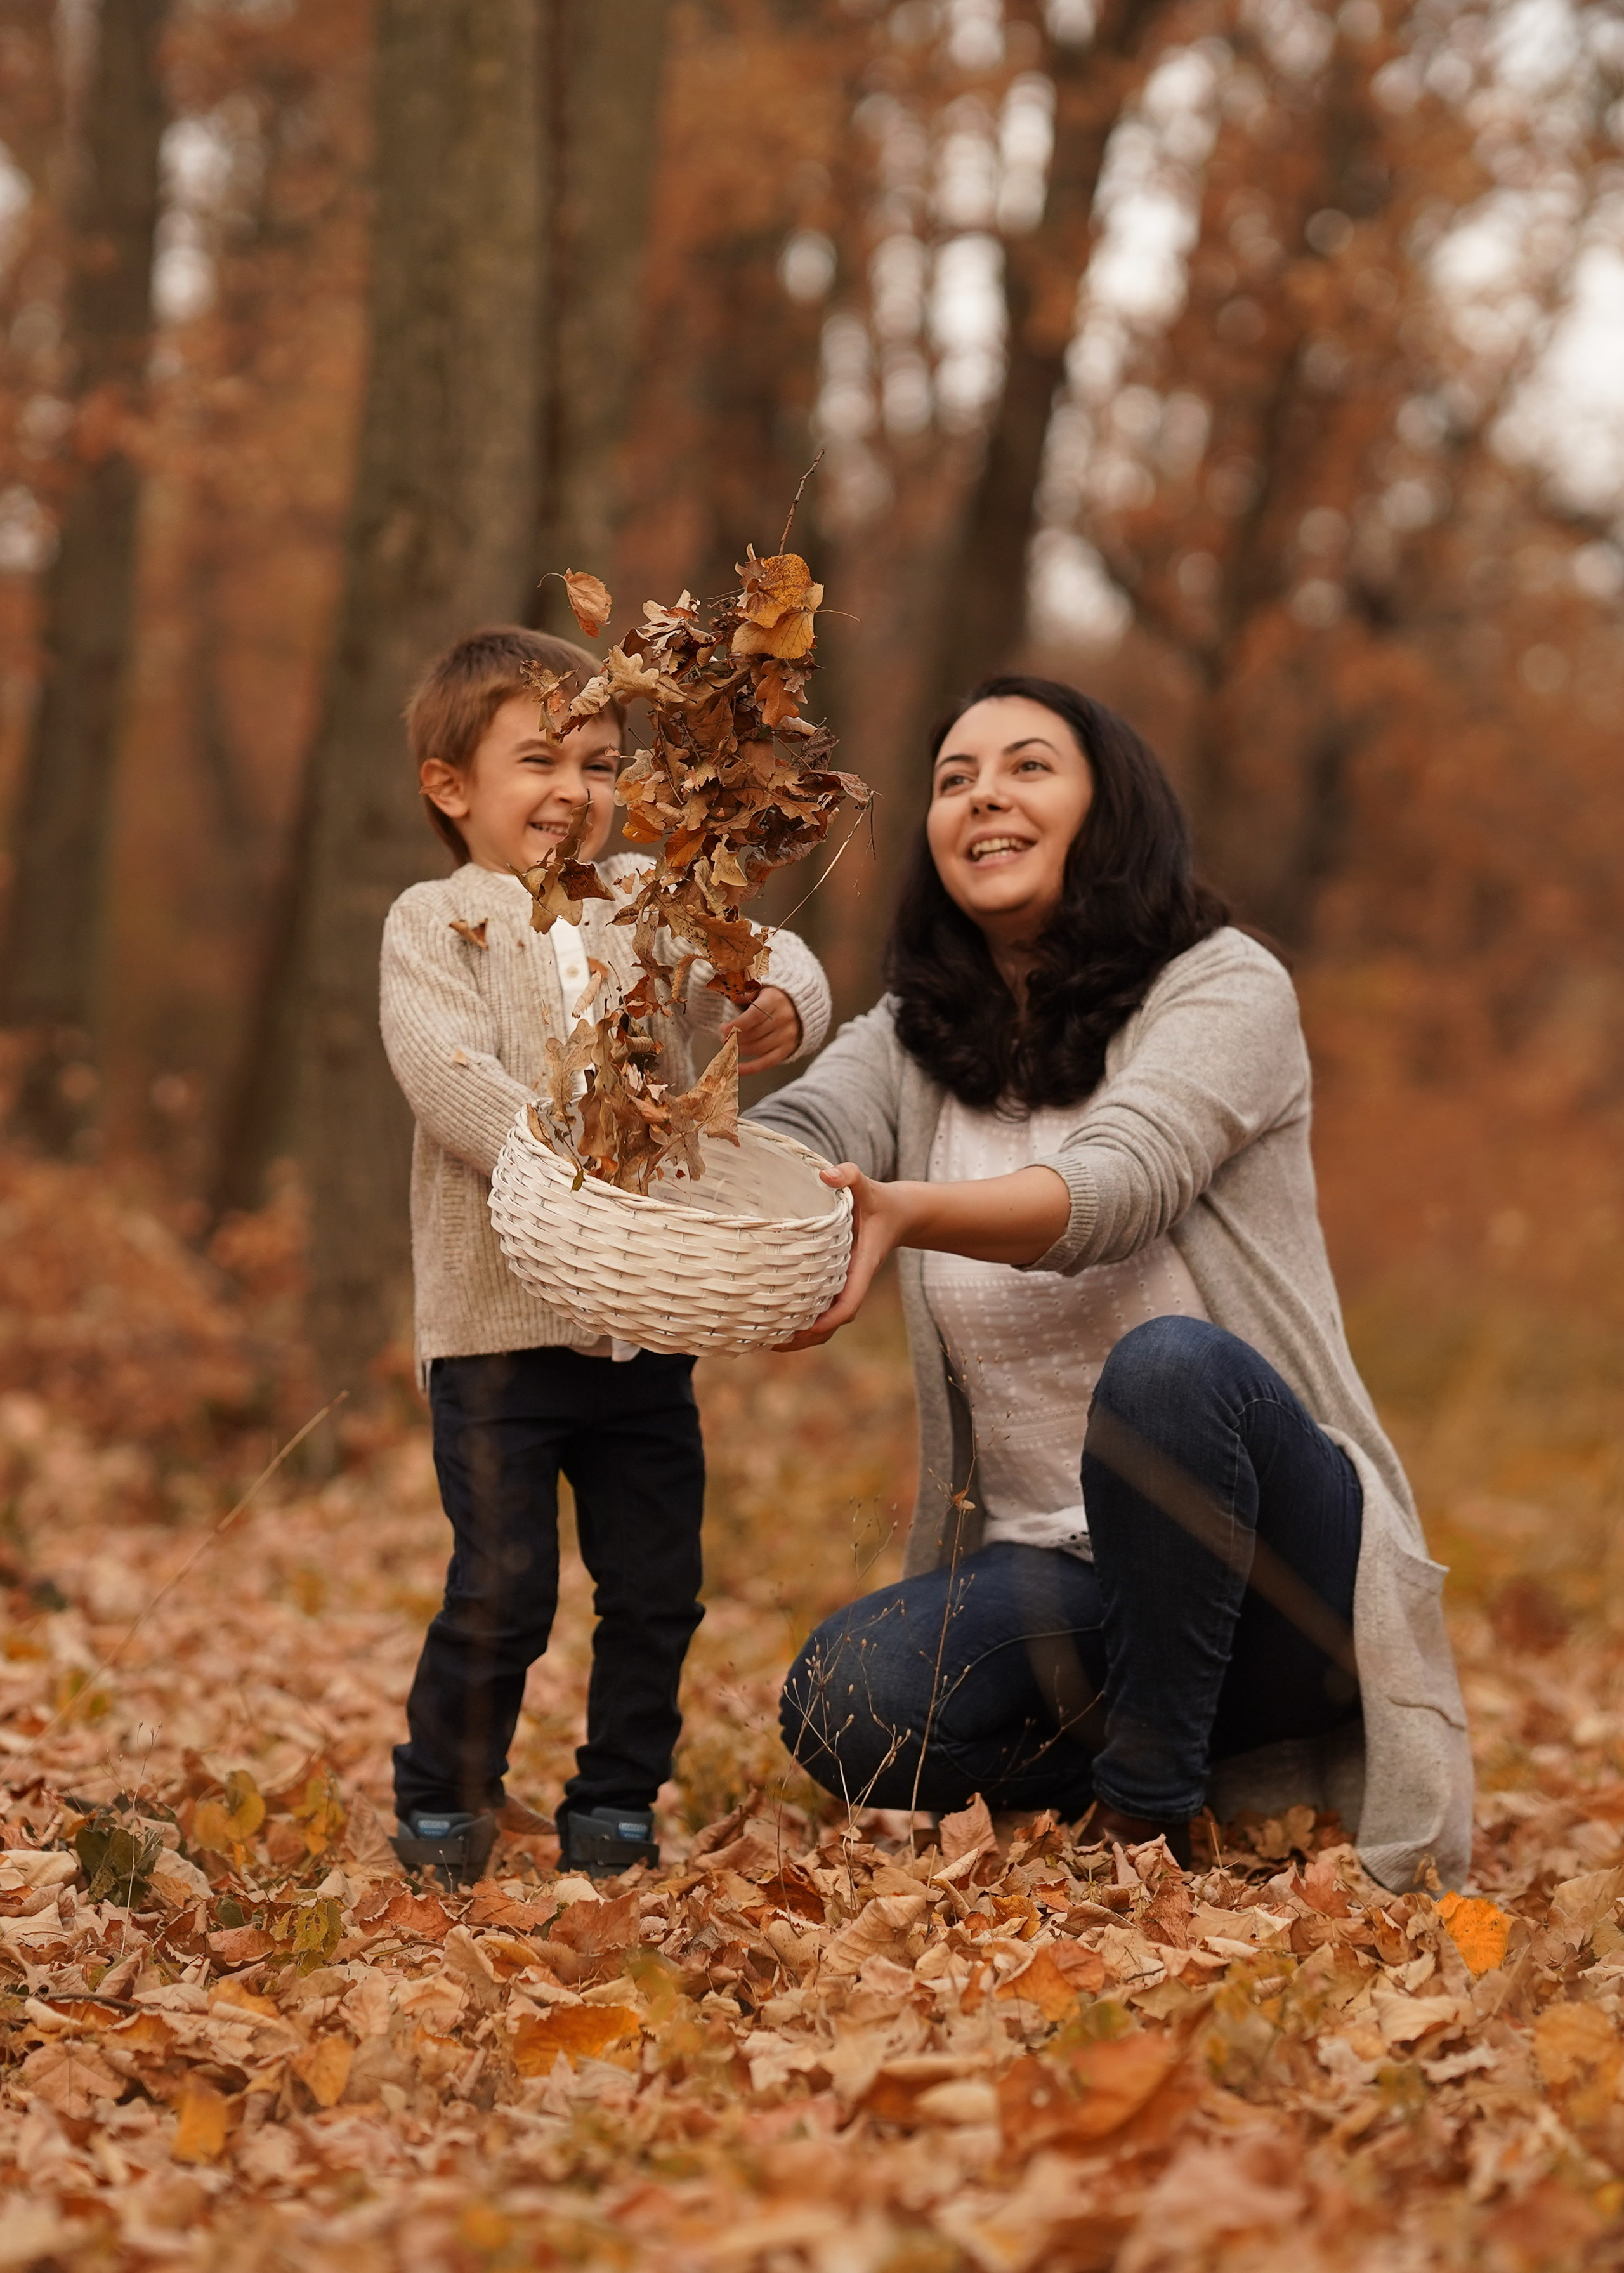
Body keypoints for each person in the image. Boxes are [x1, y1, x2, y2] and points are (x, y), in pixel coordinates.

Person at [755, 674, 1471, 1889]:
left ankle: (1145, 1817)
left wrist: (908, 1214)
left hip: (1281, 1581)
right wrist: (749, 1148)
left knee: (1168, 1372)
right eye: (953, 779)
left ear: (1109, 806)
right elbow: (810, 1122)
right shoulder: (917, 1034)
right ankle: (1144, 1749)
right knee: (846, 1706)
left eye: (1029, 766)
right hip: (1069, 1584)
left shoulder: (1223, 986)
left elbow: (1119, 1186)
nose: (986, 794)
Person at [380, 625, 831, 1883]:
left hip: (638, 1325)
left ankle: (617, 1799)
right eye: (538, 760)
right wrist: (552, 1146)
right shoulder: (437, 920)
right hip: (494, 1334)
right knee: (505, 1582)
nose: (573, 790)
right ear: (451, 786)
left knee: (654, 1583)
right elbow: (440, 1069)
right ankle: (441, 1793)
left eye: (596, 759)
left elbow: (752, 945)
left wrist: (785, 991)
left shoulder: (643, 899)